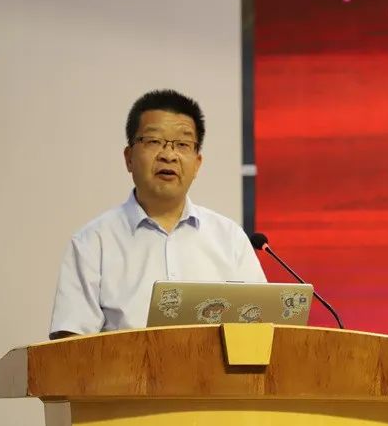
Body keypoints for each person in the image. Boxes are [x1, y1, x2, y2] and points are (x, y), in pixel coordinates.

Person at [49, 89, 266, 338]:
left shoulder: (230, 239)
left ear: (197, 163)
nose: (168, 155)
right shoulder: (92, 243)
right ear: (129, 158)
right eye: (153, 141)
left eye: (182, 144)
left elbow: (261, 331)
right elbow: (69, 345)